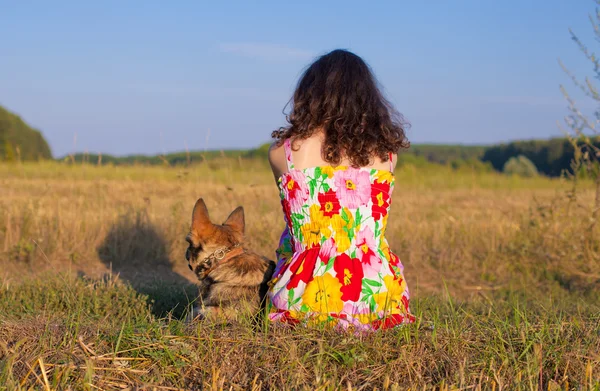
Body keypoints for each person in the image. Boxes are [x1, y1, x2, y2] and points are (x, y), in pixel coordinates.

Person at [267, 49, 415, 331]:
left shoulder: (284, 153)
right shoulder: (387, 155)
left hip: (304, 294)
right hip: (379, 295)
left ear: (309, 94)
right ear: (369, 99)